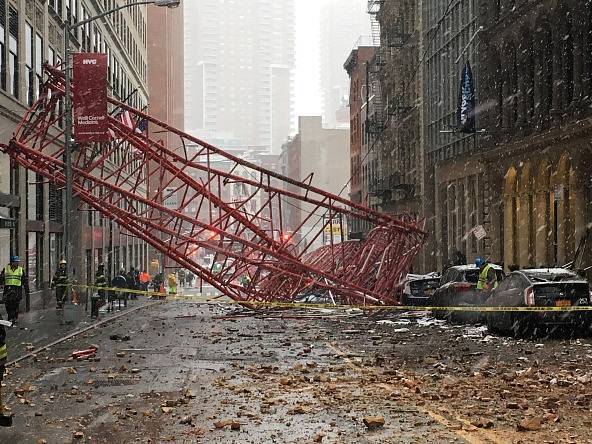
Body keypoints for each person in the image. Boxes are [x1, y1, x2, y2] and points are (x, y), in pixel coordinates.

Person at [0, 256, 30, 324]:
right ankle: (10, 317)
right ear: (12, 262)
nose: (17, 263)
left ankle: (14, 318)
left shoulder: (20, 269)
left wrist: (26, 290)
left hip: (17, 288)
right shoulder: (6, 269)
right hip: (8, 288)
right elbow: (1, 278)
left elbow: (24, 280)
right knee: (8, 303)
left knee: (15, 304)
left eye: (17, 262)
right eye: (15, 262)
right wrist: (1, 283)